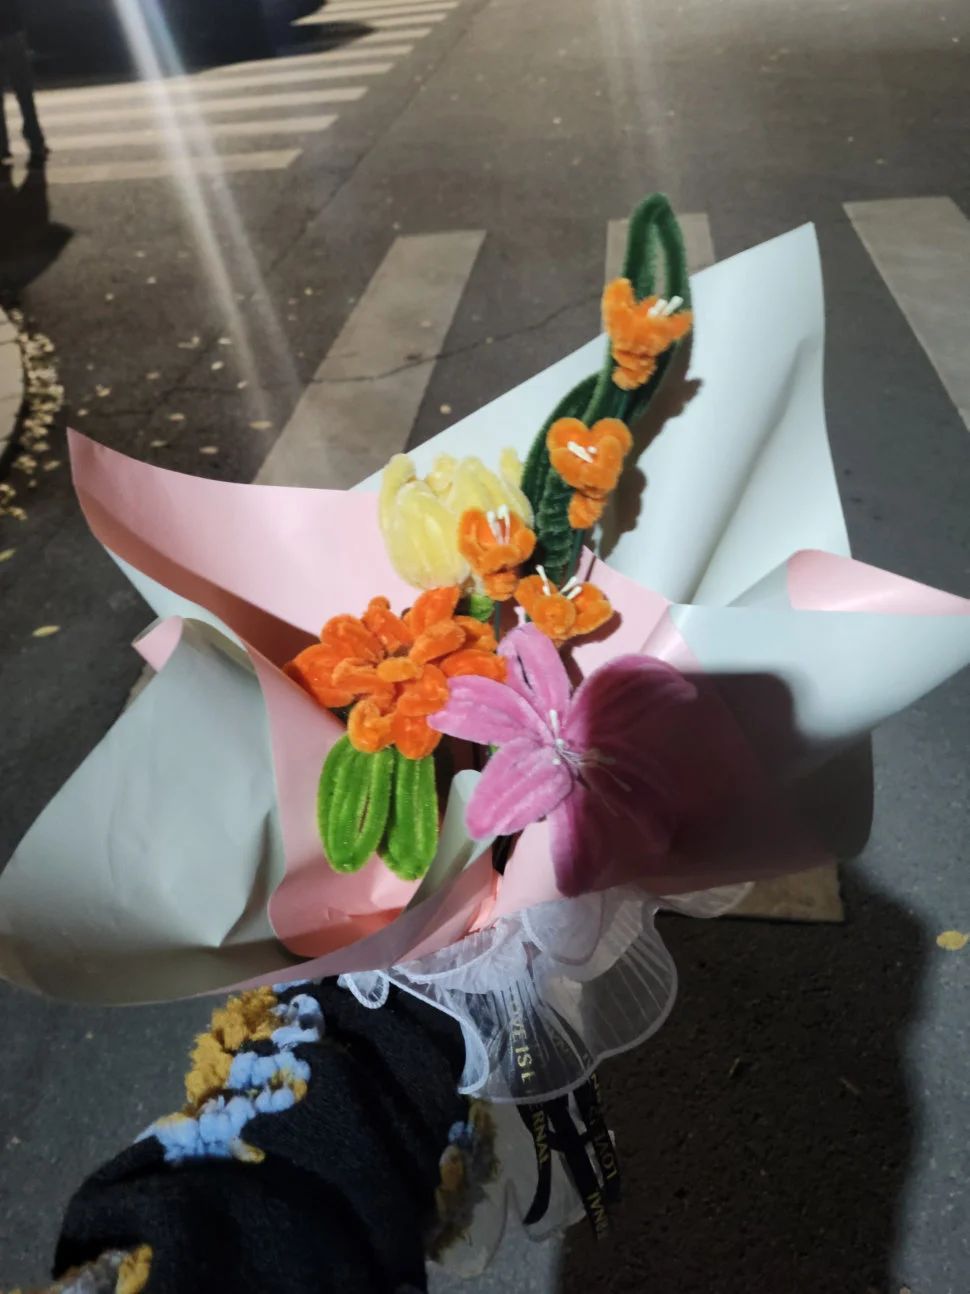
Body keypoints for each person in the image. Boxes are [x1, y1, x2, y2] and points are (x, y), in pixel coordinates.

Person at [0, 0, 48, 166]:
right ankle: (35, 141)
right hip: (11, 32)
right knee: (24, 93)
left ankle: (2, 145)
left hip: (11, 31)